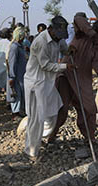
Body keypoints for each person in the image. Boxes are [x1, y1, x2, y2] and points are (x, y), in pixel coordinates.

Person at [48, 15, 98, 147]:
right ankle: (51, 136)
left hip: (82, 79)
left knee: (89, 109)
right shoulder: (82, 33)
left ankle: (90, 137)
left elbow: (97, 61)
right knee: (63, 108)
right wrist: (93, 34)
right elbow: (77, 18)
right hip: (67, 74)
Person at [24, 16, 71, 160]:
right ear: (51, 29)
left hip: (48, 83)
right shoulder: (40, 42)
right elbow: (45, 65)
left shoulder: (58, 39)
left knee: (55, 110)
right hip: (36, 83)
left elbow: (64, 49)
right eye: (58, 35)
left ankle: (40, 136)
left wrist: (70, 51)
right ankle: (31, 151)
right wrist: (65, 66)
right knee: (36, 118)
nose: (60, 39)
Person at [7, 27, 28, 119]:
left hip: (21, 74)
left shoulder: (20, 46)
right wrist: (12, 77)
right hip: (16, 74)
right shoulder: (14, 47)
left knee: (21, 92)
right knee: (16, 93)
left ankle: (20, 110)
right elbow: (12, 62)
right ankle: (15, 113)